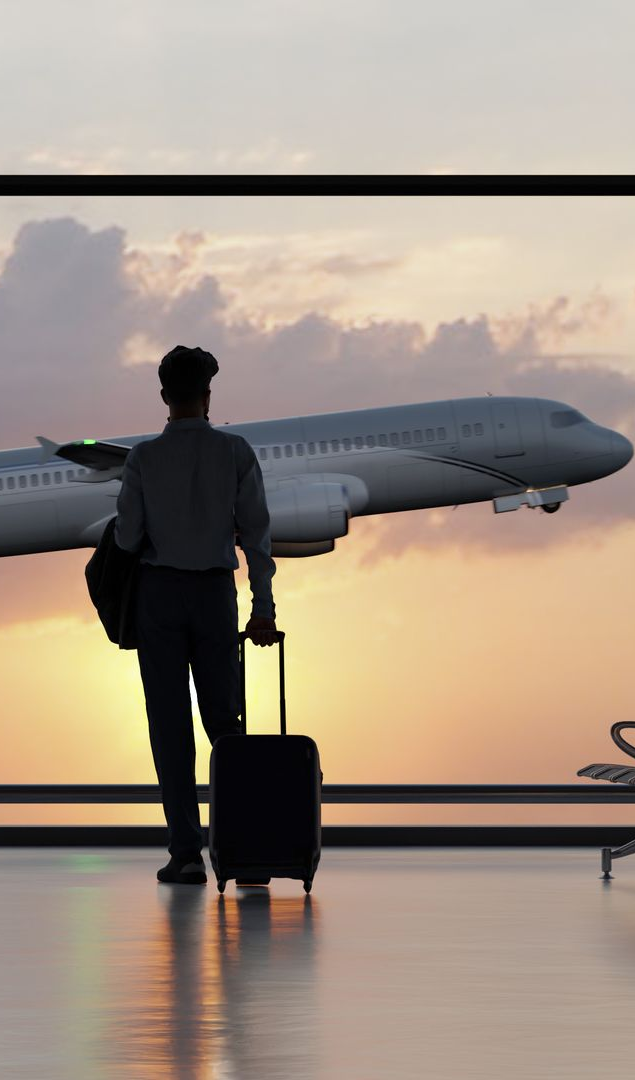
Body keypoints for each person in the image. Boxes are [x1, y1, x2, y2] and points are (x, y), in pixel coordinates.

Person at [114, 345, 278, 885]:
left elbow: (130, 537)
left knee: (169, 726)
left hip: (158, 596)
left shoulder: (142, 458)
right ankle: (248, 847)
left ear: (164, 397)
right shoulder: (235, 451)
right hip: (214, 594)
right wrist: (262, 609)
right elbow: (256, 537)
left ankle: (185, 854)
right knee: (225, 724)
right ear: (209, 396)